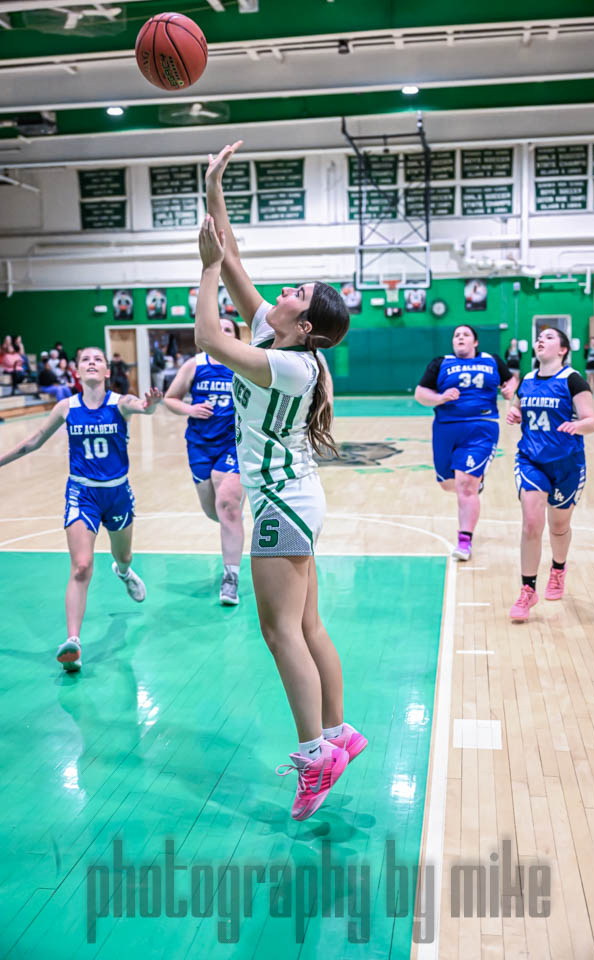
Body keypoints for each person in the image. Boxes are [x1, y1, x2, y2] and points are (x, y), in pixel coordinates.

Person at [201, 141, 366, 821]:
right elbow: (235, 261)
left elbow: (209, 340)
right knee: (309, 624)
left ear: (304, 325)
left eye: (296, 295)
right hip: (296, 500)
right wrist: (214, 188)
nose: (284, 293)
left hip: (280, 505)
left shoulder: (292, 366)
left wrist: (204, 271)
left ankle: (315, 754)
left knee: (280, 633)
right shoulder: (286, 342)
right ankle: (338, 732)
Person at [0, 346, 162, 671]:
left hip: (117, 493)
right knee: (81, 567)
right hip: (82, 493)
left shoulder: (120, 403)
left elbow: (140, 406)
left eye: (97, 359)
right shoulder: (67, 407)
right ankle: (73, 641)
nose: (91, 362)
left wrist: (150, 405)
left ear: (106, 371)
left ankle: (123, 572)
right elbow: (33, 441)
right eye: (85, 359)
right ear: (76, 371)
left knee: (124, 555)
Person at [506, 327, 594, 622]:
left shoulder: (572, 380)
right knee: (532, 523)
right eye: (539, 337)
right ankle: (528, 589)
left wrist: (577, 426)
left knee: (559, 526)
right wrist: (514, 413)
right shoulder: (527, 380)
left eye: (549, 337)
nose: (540, 340)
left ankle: (558, 568)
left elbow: (591, 420)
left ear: (562, 349)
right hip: (531, 460)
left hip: (567, 463)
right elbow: (518, 409)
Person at [414, 325, 518, 560]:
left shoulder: (492, 361)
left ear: (476, 342)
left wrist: (509, 390)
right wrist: (440, 397)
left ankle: (464, 541)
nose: (460, 338)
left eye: (465, 335)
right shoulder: (441, 363)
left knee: (466, 485)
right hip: (446, 430)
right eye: (456, 335)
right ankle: (475, 484)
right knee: (447, 483)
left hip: (481, 428)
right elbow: (420, 393)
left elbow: (512, 380)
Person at [164, 323, 245, 605]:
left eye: (228, 329)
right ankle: (232, 520)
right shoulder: (195, 365)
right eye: (218, 327)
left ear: (236, 337)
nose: (222, 332)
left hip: (232, 443)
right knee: (215, 512)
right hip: (199, 445)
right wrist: (190, 408)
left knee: (228, 504)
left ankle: (230, 578)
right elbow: (170, 399)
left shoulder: (243, 363)